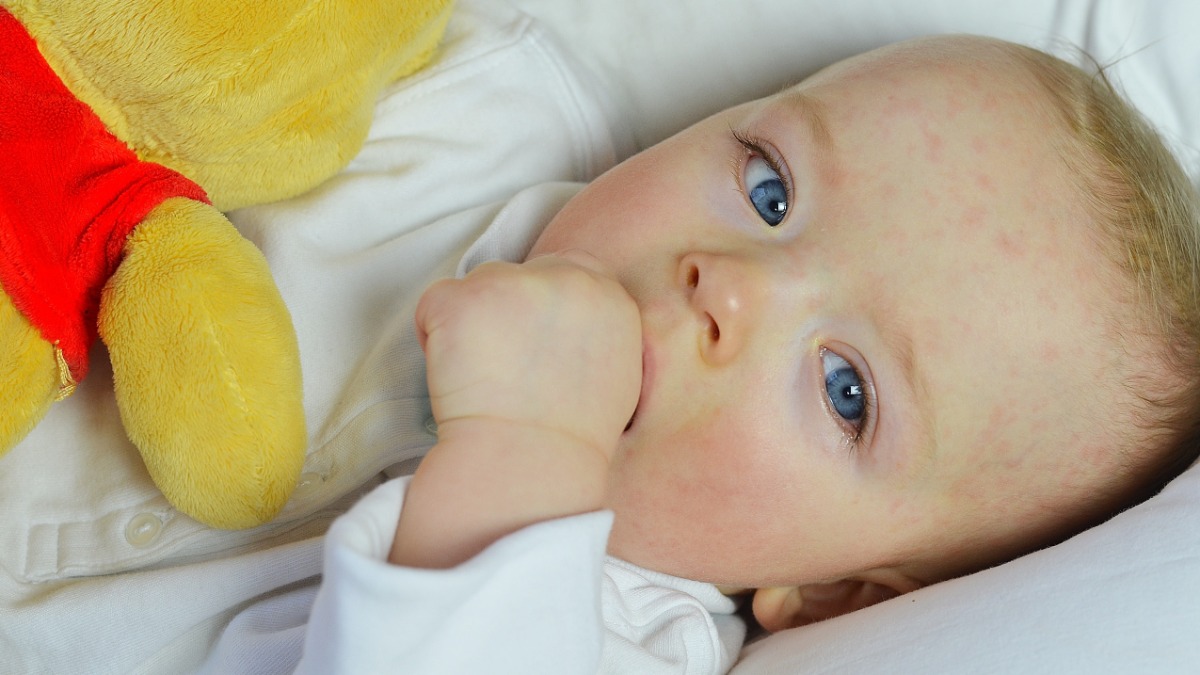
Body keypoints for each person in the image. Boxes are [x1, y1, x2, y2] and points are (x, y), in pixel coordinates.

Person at [261, 32, 1200, 673]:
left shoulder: (618, 641)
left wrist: (522, 447)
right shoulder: (460, 137)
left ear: (835, 594)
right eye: (770, 191)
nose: (735, 287)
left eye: (846, 391)